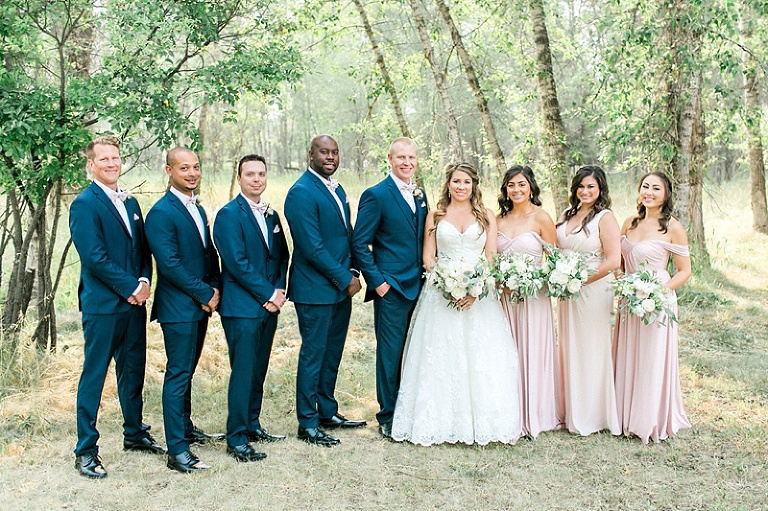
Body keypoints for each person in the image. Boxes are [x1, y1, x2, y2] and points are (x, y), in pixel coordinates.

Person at [391, 163, 520, 446]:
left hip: (479, 297)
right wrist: (446, 285)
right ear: (448, 184)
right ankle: (441, 421)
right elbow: (429, 257)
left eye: (466, 182)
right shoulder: (436, 215)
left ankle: (482, 421)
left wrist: (476, 289)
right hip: (442, 295)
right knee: (440, 357)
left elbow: (491, 257)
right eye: (456, 181)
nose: (461, 187)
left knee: (481, 358)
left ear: (474, 185)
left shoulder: (486, 215)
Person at [69, 135, 165, 479]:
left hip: (134, 304)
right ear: (91, 164)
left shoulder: (131, 202)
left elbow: (142, 250)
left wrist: (144, 281)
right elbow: (94, 258)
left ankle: (135, 433)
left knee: (133, 370)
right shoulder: (84, 204)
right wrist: (130, 288)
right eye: (104, 159)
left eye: (115, 158)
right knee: (95, 375)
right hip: (103, 305)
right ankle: (86, 450)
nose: (111, 164)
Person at [284, 135, 366, 447]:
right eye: (324, 152)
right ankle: (307, 422)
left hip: (340, 288)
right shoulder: (301, 192)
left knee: (332, 353)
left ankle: (327, 411)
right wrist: (345, 278)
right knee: (313, 355)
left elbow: (346, 235)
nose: (330, 157)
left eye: (334, 152)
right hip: (314, 289)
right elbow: (312, 247)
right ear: (311, 155)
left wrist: (354, 271)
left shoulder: (338, 189)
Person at [145, 147, 222, 472]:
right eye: (184, 168)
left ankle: (186, 429)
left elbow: (207, 253)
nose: (192, 173)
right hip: (178, 308)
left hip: (200, 305)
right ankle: (177, 451)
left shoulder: (197, 207)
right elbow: (170, 264)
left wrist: (215, 288)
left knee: (187, 372)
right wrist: (204, 293)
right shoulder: (161, 213)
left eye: (195, 167)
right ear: (169, 171)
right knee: (178, 374)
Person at [213, 154, 289, 461]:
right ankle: (236, 438)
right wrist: (267, 293)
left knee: (259, 369)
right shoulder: (228, 215)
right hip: (242, 307)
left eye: (261, 174)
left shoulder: (271, 215)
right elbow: (237, 263)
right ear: (239, 178)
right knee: (243, 372)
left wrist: (280, 290)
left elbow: (282, 256)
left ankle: (252, 424)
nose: (257, 179)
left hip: (270, 305)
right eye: (250, 174)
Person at [352, 137, 428, 440]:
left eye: (411, 158)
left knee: (415, 351)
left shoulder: (420, 194)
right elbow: (360, 242)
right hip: (392, 288)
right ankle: (388, 416)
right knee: (390, 353)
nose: (407, 163)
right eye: (401, 157)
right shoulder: (376, 195)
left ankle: (410, 411)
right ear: (390, 159)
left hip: (420, 286)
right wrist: (378, 282)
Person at [613, 171, 692, 443]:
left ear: (666, 194)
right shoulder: (630, 222)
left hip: (656, 299)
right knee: (629, 353)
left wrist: (658, 292)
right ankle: (624, 414)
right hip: (629, 297)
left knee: (650, 357)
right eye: (645, 186)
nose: (649, 192)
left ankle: (648, 418)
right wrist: (623, 282)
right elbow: (620, 261)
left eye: (656, 188)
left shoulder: (673, 227)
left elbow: (684, 271)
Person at [496, 165, 564, 439]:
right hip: (505, 298)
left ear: (531, 187)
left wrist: (532, 279)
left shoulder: (541, 218)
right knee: (506, 352)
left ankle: (535, 412)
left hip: (534, 298)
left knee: (531, 350)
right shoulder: (498, 220)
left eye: (521, 184)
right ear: (505, 189)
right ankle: (509, 412)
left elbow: (555, 262)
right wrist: (501, 280)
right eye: (511, 185)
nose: (516, 189)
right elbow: (491, 259)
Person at [555, 165, 621, 436]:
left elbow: (613, 260)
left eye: (591, 186)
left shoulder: (605, 218)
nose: (585, 191)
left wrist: (581, 280)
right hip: (567, 289)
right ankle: (571, 409)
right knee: (569, 345)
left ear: (600, 188)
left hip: (593, 288)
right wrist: (561, 276)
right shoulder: (566, 214)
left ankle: (594, 414)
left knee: (592, 347)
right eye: (581, 186)